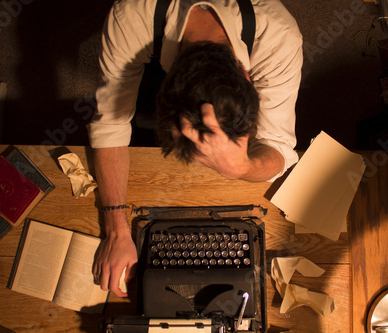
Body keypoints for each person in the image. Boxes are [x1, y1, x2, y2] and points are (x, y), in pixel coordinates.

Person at [88, 0, 303, 297]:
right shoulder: (131, 17)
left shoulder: (279, 39)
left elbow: (279, 146)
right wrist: (116, 228)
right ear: (165, 80)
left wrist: (243, 167)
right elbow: (111, 124)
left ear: (248, 77)